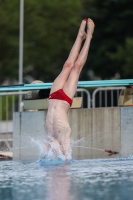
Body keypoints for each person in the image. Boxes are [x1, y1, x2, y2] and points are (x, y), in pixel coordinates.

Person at [45, 18, 95, 159]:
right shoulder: (63, 140)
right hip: (64, 98)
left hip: (53, 97)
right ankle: (86, 36)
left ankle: (84, 36)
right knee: (74, 67)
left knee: (69, 65)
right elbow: (67, 157)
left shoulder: (53, 143)